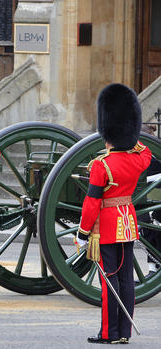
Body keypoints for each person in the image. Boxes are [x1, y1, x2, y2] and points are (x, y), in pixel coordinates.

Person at [75, 83, 151, 345]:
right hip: (127, 223)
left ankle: (108, 332)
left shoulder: (101, 165)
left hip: (106, 228)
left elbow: (92, 203)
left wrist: (83, 234)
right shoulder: (136, 159)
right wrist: (130, 135)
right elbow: (146, 150)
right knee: (126, 279)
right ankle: (125, 332)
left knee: (109, 280)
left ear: (106, 132)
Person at [138, 124, 161, 276]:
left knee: (153, 228)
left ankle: (154, 269)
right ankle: (153, 270)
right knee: (147, 230)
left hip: (156, 198)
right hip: (148, 198)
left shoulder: (155, 155)